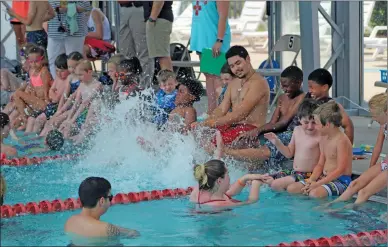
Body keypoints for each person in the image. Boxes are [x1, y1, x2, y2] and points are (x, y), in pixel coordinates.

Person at [212, 66, 305, 168]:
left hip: (289, 135)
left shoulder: (302, 98)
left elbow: (284, 123)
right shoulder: (282, 98)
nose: (283, 89)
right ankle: (228, 166)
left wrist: (257, 130)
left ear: (299, 82)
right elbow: (272, 122)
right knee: (245, 140)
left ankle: (226, 152)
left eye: (286, 86)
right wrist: (254, 132)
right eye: (282, 86)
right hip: (276, 131)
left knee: (264, 148)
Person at [192, 46, 269, 146]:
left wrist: (211, 123)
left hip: (251, 128)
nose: (236, 69)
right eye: (232, 66)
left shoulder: (258, 83)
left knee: (214, 144)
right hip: (233, 125)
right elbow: (222, 109)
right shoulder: (234, 83)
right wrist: (206, 122)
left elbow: (240, 114)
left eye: (238, 63)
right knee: (199, 135)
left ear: (248, 59)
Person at [327, 93, 387, 206]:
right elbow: (378, 147)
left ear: (386, 112)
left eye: (374, 115)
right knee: (355, 184)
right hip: (386, 163)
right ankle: (332, 206)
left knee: (364, 192)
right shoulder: (384, 125)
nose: (373, 119)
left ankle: (352, 212)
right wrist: (371, 168)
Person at [287, 101, 353, 198]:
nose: (315, 127)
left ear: (327, 125)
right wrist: (312, 180)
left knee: (314, 194)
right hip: (324, 177)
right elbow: (320, 164)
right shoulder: (324, 137)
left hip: (341, 180)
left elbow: (340, 170)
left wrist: (318, 184)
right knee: (292, 189)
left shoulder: (341, 141)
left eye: (316, 123)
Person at [260, 99, 321, 191]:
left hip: (308, 174)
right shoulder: (297, 130)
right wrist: (277, 142)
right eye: (306, 122)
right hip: (294, 172)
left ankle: (284, 203)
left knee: (276, 184)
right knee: (262, 179)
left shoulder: (320, 135)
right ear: (299, 119)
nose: (310, 126)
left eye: (314, 122)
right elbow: (289, 153)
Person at [65, 177, 139, 245]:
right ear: (102, 201)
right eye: (110, 197)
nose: (110, 201)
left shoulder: (70, 221)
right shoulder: (107, 230)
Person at [190, 0, 231, 113]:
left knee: (217, 76)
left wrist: (219, 40)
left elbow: (223, 15)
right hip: (201, 38)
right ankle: (211, 111)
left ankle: (221, 111)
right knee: (208, 75)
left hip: (214, 38)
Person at [39, 52, 83, 137]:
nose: (71, 69)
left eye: (74, 67)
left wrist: (64, 114)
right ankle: (40, 139)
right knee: (50, 121)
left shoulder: (82, 79)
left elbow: (76, 98)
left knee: (56, 122)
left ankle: (50, 142)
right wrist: (59, 111)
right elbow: (64, 96)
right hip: (70, 106)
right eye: (70, 67)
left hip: (77, 107)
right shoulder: (70, 78)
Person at [189, 159, 264, 210]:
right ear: (219, 181)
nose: (229, 177)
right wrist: (256, 184)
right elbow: (250, 202)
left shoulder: (200, 188)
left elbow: (229, 192)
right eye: (228, 174)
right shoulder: (220, 204)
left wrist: (245, 178)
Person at [306, 68, 354, 143]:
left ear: (324, 87)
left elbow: (348, 126)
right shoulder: (307, 98)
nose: (309, 90)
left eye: (312, 87)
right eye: (309, 87)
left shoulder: (331, 105)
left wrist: (347, 149)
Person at [25, 53, 70, 134]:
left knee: (40, 120)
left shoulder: (67, 81)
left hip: (57, 106)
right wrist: (53, 93)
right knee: (31, 118)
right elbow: (50, 92)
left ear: (69, 69)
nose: (59, 73)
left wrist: (53, 93)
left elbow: (57, 98)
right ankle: (27, 139)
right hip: (51, 104)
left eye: (62, 71)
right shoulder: (58, 78)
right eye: (56, 70)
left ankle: (37, 139)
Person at [47, 0, 91, 79]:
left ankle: (74, 86)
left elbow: (86, 6)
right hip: (54, 29)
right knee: (54, 61)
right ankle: (57, 86)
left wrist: (68, 8)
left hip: (75, 31)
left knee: (74, 62)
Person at [10, 46, 52, 129]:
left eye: (36, 61)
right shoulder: (31, 71)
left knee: (17, 93)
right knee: (15, 124)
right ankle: (24, 118)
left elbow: (46, 90)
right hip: (35, 102)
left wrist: (47, 101)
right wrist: (24, 103)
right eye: (31, 62)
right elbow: (32, 89)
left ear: (42, 59)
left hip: (43, 103)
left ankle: (25, 120)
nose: (33, 64)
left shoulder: (44, 71)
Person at [58, 60, 102, 138]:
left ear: (89, 72)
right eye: (77, 75)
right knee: (65, 128)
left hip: (92, 117)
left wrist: (72, 120)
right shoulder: (82, 85)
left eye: (81, 75)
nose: (78, 78)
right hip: (82, 114)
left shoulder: (97, 85)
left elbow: (85, 103)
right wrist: (69, 119)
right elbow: (76, 103)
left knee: (78, 131)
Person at [118, 1, 153, 89]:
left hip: (138, 7)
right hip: (123, 8)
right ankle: (129, 84)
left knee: (143, 50)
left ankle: (145, 88)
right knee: (125, 51)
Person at [143, 1, 174, 72]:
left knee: (162, 56)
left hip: (158, 19)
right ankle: (168, 81)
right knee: (162, 56)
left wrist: (151, 19)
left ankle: (169, 82)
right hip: (158, 18)